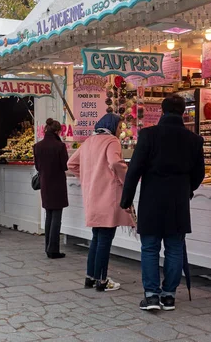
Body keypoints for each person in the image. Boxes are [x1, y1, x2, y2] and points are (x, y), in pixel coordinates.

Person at [120, 95, 205, 311]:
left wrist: (126, 199)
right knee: (174, 248)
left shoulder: (149, 135)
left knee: (150, 248)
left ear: (162, 111)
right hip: (178, 201)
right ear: (184, 112)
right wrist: (187, 189)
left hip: (152, 199)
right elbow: (199, 174)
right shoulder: (194, 139)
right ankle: (169, 295)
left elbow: (135, 169)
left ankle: (151, 296)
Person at [67, 113, 134, 292]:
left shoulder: (89, 141)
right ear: (112, 125)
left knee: (97, 238)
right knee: (105, 239)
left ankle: (91, 276)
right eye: (119, 127)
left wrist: (88, 178)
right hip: (108, 196)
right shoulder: (111, 141)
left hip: (92, 197)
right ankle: (102, 280)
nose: (120, 132)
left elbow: (71, 163)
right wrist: (127, 180)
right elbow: (115, 162)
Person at [33, 118, 69, 259]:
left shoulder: (38, 146)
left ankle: (48, 246)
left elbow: (37, 166)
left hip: (45, 183)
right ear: (57, 131)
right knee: (56, 216)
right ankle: (53, 249)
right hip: (58, 183)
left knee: (49, 215)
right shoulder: (60, 146)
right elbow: (64, 165)